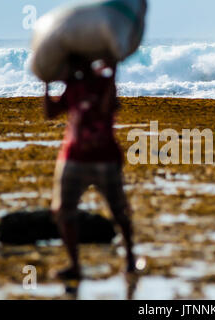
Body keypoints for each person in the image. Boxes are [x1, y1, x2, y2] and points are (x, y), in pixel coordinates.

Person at [43, 55, 136, 279]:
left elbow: (106, 109)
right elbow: (50, 113)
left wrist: (113, 74)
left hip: (104, 156)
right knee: (63, 210)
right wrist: (45, 85)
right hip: (73, 156)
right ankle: (74, 264)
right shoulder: (72, 87)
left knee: (118, 210)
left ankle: (131, 258)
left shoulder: (104, 83)